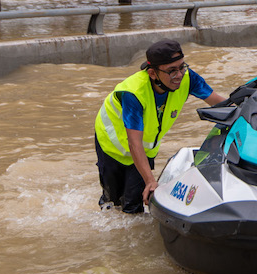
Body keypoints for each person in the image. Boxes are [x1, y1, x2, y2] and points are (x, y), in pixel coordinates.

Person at [94, 39, 227, 213]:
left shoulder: (188, 78)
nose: (179, 75)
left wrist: (247, 111)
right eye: (171, 71)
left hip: (144, 148)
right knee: (112, 204)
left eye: (182, 67)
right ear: (152, 73)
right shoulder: (133, 93)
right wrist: (150, 180)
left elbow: (220, 103)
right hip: (111, 146)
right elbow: (134, 143)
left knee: (134, 206)